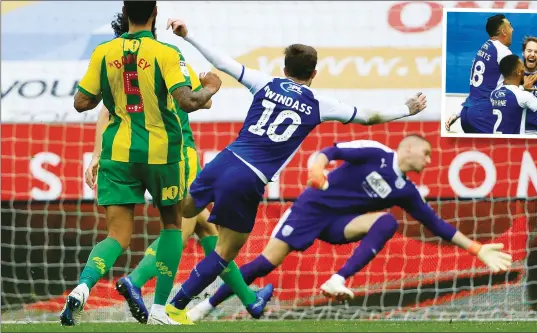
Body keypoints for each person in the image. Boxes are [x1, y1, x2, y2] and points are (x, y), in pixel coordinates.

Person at [162, 19, 428, 324]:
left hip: (223, 160)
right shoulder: (319, 103)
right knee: (224, 251)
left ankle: (153, 268)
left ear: (284, 67)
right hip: (248, 177)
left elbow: (223, 62)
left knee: (183, 213)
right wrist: (406, 109)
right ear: (313, 74)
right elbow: (368, 117)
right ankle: (175, 307)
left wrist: (188, 35)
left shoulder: (265, 82)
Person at [185, 136, 513, 321]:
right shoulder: (376, 153)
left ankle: (338, 278)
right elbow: (330, 151)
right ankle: (204, 308)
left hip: (339, 225)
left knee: (386, 221)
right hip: (310, 209)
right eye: (426, 153)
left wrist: (477, 248)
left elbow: (436, 225)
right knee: (265, 263)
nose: (429, 160)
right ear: (409, 148)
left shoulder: (406, 190)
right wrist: (317, 167)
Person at [83, 12, 267, 325]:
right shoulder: (167, 59)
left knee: (204, 227)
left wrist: (97, 153)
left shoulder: (115, 62)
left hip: (131, 153)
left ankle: (251, 300)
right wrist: (209, 85)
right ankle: (138, 281)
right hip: (176, 155)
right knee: (181, 225)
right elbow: (199, 100)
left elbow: (102, 111)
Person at [61, 1, 221, 326]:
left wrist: (109, 92)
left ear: (124, 14)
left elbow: (81, 102)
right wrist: (210, 87)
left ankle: (83, 285)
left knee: (117, 235)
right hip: (161, 154)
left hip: (118, 154)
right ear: (154, 14)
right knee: (172, 226)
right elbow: (189, 102)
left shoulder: (104, 52)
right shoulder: (167, 53)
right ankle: (160, 309)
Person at [445, 14, 513, 133]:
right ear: (504, 31)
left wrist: (457, 113)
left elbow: (479, 90)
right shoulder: (503, 52)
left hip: (467, 113)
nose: (513, 29)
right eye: (510, 26)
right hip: (484, 115)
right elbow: (518, 80)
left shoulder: (484, 48)